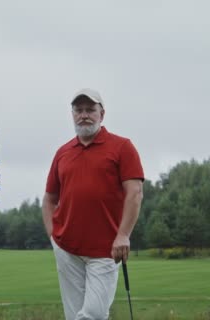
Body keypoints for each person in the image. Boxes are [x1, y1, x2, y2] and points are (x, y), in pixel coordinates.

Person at [42, 88, 144, 320]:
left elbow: (135, 193)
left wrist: (123, 235)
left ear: (102, 114)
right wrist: (53, 238)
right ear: (72, 114)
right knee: (74, 315)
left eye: (90, 110)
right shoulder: (63, 152)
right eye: (79, 110)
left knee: (94, 314)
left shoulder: (122, 147)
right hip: (67, 249)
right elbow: (49, 199)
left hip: (106, 250)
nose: (84, 115)